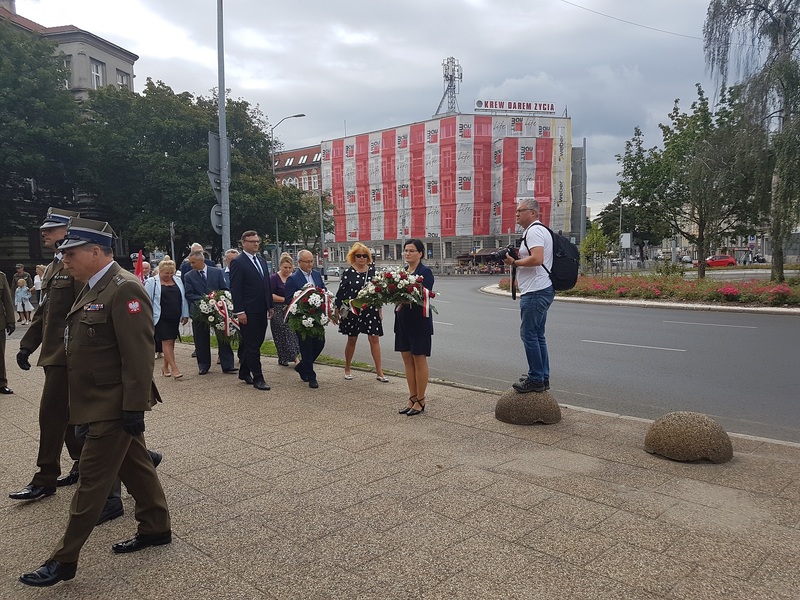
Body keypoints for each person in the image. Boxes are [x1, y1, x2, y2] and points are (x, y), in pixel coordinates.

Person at [19, 217, 170, 588]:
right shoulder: (90, 286)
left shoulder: (124, 288)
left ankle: (64, 559)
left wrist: (134, 407)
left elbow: (138, 354)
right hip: (96, 398)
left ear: (96, 252)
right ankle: (156, 527)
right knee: (136, 466)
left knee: (91, 481)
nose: (64, 259)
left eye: (70, 252)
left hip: (114, 403)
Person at [11, 207, 84, 501]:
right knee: (66, 415)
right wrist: (27, 344)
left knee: (52, 414)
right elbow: (45, 312)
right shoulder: (55, 264)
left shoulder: (74, 264)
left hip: (70, 354)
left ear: (68, 231)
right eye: (43, 228)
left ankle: (45, 478)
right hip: (55, 354)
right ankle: (85, 462)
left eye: (51, 228)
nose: (44, 232)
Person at [502, 198, 554, 393]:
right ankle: (542, 376)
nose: (516, 214)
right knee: (538, 335)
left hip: (535, 291)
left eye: (520, 210)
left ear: (533, 212)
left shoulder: (533, 231)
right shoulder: (539, 230)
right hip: (541, 288)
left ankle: (535, 379)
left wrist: (515, 263)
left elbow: (537, 259)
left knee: (529, 334)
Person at [334, 243, 388, 382]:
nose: (362, 258)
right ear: (353, 257)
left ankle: (379, 372)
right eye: (359, 255)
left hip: (370, 309)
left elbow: (379, 292)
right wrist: (337, 310)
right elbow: (341, 293)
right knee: (352, 339)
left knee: (374, 339)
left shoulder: (373, 272)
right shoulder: (348, 273)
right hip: (353, 310)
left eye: (365, 255)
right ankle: (347, 368)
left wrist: (380, 309)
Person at [229, 231, 273, 391]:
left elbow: (266, 284)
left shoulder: (261, 260)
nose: (256, 244)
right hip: (248, 310)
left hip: (261, 308)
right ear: (243, 243)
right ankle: (258, 378)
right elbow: (236, 288)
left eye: (257, 241)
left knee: (256, 342)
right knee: (253, 345)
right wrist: (240, 311)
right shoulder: (238, 262)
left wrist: (270, 305)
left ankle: (244, 371)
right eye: (252, 241)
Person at [395, 239, 434, 416]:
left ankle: (421, 399)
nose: (408, 254)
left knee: (419, 359)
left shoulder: (425, 272)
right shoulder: (401, 272)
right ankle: (411, 397)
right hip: (402, 321)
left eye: (411, 251)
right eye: (405, 251)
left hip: (419, 321)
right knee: (407, 360)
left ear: (420, 253)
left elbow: (422, 296)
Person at [183, 250, 237, 375]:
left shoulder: (216, 272)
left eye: (193, 262)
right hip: (199, 311)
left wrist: (217, 299)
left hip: (218, 310)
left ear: (201, 261)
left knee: (223, 337)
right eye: (190, 263)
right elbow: (189, 294)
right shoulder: (189, 276)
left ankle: (227, 364)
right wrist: (206, 299)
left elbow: (224, 289)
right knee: (201, 339)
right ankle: (203, 365)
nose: (191, 265)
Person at [285, 249, 327, 389]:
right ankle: (311, 376)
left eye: (311, 261)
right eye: (307, 262)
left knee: (320, 343)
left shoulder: (316, 274)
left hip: (316, 317)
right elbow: (288, 299)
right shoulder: (293, 278)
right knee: (306, 347)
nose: (310, 264)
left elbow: (323, 290)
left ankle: (302, 367)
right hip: (302, 319)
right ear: (299, 262)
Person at [144, 257, 189, 379]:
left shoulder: (178, 281)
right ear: (160, 271)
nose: (169, 275)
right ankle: (175, 369)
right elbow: (146, 300)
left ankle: (165, 367)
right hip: (160, 317)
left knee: (171, 342)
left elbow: (183, 298)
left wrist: (185, 314)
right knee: (166, 342)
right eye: (166, 273)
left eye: (171, 273)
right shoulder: (152, 282)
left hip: (174, 316)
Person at [269, 252, 300, 367]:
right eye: (285, 267)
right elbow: (270, 294)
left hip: (292, 308)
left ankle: (295, 357)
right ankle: (284, 356)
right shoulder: (273, 278)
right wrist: (285, 300)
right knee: (281, 333)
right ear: (280, 266)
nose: (287, 270)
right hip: (278, 309)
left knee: (291, 333)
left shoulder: (294, 277)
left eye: (289, 268)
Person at [0, 269, 15, 395]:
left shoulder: (1, 276)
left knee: (0, 355)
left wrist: (11, 321)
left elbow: (7, 300)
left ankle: (1, 382)